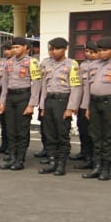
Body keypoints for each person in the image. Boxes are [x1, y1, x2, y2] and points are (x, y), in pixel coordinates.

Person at [79, 37, 111, 181]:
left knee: (109, 136)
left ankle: (106, 168)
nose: (102, 53)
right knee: (96, 135)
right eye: (100, 50)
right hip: (94, 103)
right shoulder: (93, 65)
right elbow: (87, 87)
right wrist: (86, 106)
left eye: (105, 50)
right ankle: (97, 166)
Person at [36, 37, 80, 176]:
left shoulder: (72, 64)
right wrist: (42, 106)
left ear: (64, 49)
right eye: (51, 49)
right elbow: (44, 86)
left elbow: (76, 87)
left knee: (62, 134)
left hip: (63, 101)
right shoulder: (46, 64)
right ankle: (52, 161)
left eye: (56, 49)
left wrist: (70, 108)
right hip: (49, 100)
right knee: (49, 134)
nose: (53, 52)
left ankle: (61, 164)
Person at [0, 36, 41, 170]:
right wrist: (2, 102)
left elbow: (36, 84)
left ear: (25, 48)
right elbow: (4, 84)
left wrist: (31, 104)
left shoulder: (32, 62)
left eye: (17, 47)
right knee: (10, 129)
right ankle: (12, 156)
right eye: (13, 47)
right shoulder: (8, 63)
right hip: (10, 97)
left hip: (24, 96)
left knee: (21, 130)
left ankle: (20, 159)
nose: (15, 50)